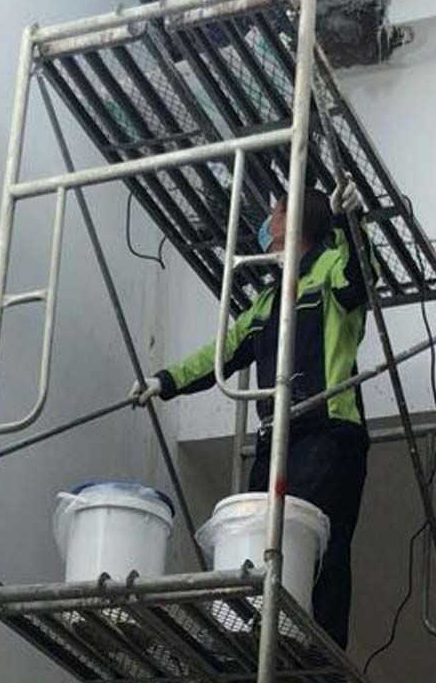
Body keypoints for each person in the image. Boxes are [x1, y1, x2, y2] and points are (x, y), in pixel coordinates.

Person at [131, 180, 371, 649]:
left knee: (319, 540)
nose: (267, 224)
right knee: (264, 540)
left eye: (275, 213)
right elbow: (218, 356)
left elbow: (360, 278)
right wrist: (166, 380)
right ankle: (260, 640)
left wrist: (351, 223)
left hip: (328, 433)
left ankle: (319, 651)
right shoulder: (267, 301)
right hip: (276, 437)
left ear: (296, 221)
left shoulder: (329, 269)